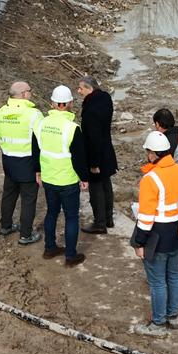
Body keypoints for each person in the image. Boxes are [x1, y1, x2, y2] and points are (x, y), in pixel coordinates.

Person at [130, 131, 178, 336]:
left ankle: (158, 323)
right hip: (177, 235)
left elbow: (146, 217)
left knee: (158, 282)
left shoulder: (150, 179)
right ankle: (173, 316)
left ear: (152, 154)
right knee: (174, 276)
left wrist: (139, 243)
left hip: (156, 237)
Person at [36, 85, 89, 267]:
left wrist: (38, 171)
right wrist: (84, 178)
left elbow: (36, 149)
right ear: (70, 103)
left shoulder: (41, 124)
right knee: (71, 217)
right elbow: (79, 157)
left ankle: (49, 248)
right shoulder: (72, 128)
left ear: (52, 103)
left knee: (51, 212)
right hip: (67, 180)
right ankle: (70, 256)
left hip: (48, 178)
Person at [0, 81, 43, 246]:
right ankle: (25, 234)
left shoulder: (1, 112)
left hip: (8, 160)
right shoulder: (33, 114)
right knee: (28, 199)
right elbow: (41, 141)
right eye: (29, 90)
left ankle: (5, 226)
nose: (31, 93)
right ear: (23, 94)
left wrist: (8, 149)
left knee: (8, 194)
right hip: (28, 162)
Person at [77, 76, 118, 235]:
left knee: (96, 188)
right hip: (107, 151)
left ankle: (99, 223)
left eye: (81, 88)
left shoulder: (91, 111)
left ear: (90, 89)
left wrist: (94, 164)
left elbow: (94, 139)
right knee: (106, 184)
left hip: (97, 155)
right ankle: (108, 218)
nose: (79, 91)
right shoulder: (105, 99)